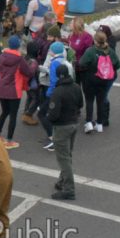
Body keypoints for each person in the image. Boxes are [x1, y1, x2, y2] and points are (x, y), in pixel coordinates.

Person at [47, 66, 82, 200]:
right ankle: (62, 181)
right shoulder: (76, 87)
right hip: (74, 123)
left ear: (57, 75)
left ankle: (69, 189)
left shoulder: (58, 92)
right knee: (68, 155)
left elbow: (53, 115)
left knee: (63, 159)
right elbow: (80, 104)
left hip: (62, 126)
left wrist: (48, 117)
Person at [79, 29, 120, 134]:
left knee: (89, 101)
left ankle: (89, 123)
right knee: (100, 101)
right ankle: (100, 124)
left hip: (91, 80)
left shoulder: (91, 51)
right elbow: (118, 65)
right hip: (104, 81)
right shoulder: (110, 51)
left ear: (95, 41)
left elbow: (82, 63)